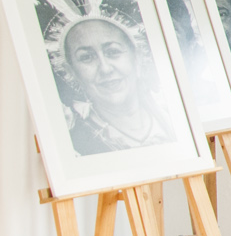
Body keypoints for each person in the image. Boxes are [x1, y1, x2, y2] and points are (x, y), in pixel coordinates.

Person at [61, 16, 174, 154]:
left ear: (137, 58)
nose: (105, 69)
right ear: (72, 72)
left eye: (113, 52)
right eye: (87, 57)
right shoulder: (74, 145)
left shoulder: (174, 118)